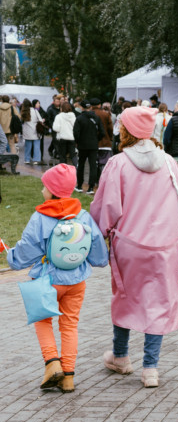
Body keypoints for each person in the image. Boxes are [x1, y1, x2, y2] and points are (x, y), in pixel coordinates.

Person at [91, 106, 178, 389]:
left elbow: (106, 207)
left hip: (129, 245)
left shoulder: (118, 164)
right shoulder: (170, 163)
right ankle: (151, 368)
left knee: (125, 296)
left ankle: (121, 355)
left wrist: (100, 234)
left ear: (126, 130)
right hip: (165, 246)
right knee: (159, 301)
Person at [6, 163, 108, 393]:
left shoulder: (40, 217)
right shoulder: (83, 216)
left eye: (44, 187)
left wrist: (11, 257)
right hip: (76, 282)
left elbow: (25, 253)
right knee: (70, 325)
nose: (42, 190)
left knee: (42, 320)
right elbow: (100, 256)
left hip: (47, 281)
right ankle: (69, 377)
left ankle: (52, 363)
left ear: (52, 191)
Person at [73, 99, 107, 194]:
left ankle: (79, 185)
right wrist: (96, 139)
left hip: (82, 145)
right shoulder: (96, 118)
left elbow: (76, 132)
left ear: (82, 108)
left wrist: (78, 141)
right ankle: (91, 187)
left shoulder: (79, 118)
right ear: (90, 107)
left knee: (81, 165)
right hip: (93, 144)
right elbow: (102, 132)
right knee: (93, 166)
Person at [91, 98, 114, 184]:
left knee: (93, 163)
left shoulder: (89, 114)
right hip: (105, 142)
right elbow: (110, 129)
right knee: (104, 163)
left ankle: (94, 181)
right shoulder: (106, 115)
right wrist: (110, 138)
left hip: (92, 142)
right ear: (99, 105)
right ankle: (104, 181)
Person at [21, 98, 45, 165]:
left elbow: (22, 121)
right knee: (36, 146)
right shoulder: (35, 111)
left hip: (27, 132)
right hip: (35, 131)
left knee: (28, 146)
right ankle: (36, 159)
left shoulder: (23, 112)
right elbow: (40, 120)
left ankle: (27, 159)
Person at [46, 94, 63, 162]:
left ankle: (51, 149)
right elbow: (48, 118)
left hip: (61, 127)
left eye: (59, 101)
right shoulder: (50, 109)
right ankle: (58, 153)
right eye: (56, 101)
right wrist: (51, 125)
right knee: (56, 140)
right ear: (54, 101)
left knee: (56, 140)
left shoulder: (61, 108)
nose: (58, 102)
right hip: (54, 127)